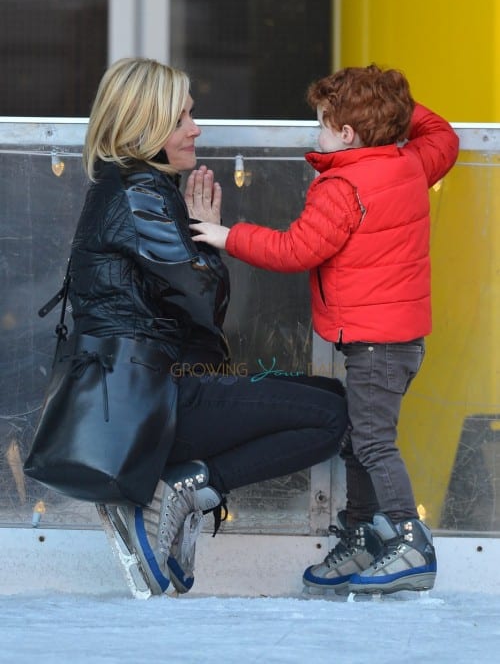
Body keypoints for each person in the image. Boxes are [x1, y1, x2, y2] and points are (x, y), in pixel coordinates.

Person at [68, 57, 348, 597]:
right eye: (182, 119)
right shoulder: (141, 191)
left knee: (326, 397)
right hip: (152, 400)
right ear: (143, 126)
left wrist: (198, 244)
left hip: (139, 393)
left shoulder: (126, 186)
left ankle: (183, 482)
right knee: (334, 414)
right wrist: (209, 243)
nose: (196, 128)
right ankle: (182, 484)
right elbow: (201, 303)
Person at [191, 63, 460, 596]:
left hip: (376, 342)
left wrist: (227, 235)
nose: (316, 133)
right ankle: (361, 531)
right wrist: (395, 109)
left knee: (374, 443)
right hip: (397, 340)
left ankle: (410, 540)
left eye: (321, 124)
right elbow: (443, 136)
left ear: (346, 133)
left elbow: (296, 249)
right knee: (362, 440)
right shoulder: (409, 164)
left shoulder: (341, 186)